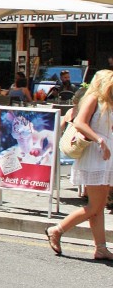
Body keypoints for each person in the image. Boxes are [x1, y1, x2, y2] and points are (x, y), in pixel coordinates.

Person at [46, 70, 113, 260]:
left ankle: (101, 248)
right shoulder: (93, 98)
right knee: (95, 206)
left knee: (98, 206)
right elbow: (80, 123)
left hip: (105, 155)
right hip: (95, 153)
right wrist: (99, 139)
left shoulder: (107, 102)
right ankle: (57, 229)